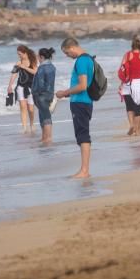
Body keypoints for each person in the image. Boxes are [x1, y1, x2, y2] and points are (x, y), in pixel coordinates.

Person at [55, 37, 95, 179]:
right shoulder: (88, 58)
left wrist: (64, 93)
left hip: (81, 102)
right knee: (82, 135)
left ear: (71, 47)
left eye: (66, 53)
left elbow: (83, 85)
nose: (67, 56)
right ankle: (84, 170)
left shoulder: (82, 60)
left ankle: (84, 171)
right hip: (84, 101)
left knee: (83, 136)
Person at [7, 45, 38, 134]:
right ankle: (24, 127)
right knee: (22, 107)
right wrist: (10, 86)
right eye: (18, 54)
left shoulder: (33, 61)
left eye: (20, 54)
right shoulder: (18, 63)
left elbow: (35, 72)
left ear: (25, 53)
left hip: (31, 87)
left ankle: (32, 124)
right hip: (20, 86)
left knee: (31, 109)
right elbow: (14, 74)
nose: (19, 56)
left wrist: (24, 67)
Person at [31, 48, 57, 144]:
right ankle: (44, 137)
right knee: (44, 115)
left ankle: (48, 138)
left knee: (45, 116)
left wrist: (35, 92)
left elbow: (40, 84)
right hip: (49, 93)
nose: (37, 58)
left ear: (41, 57)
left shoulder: (42, 68)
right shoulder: (52, 66)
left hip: (41, 95)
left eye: (38, 56)